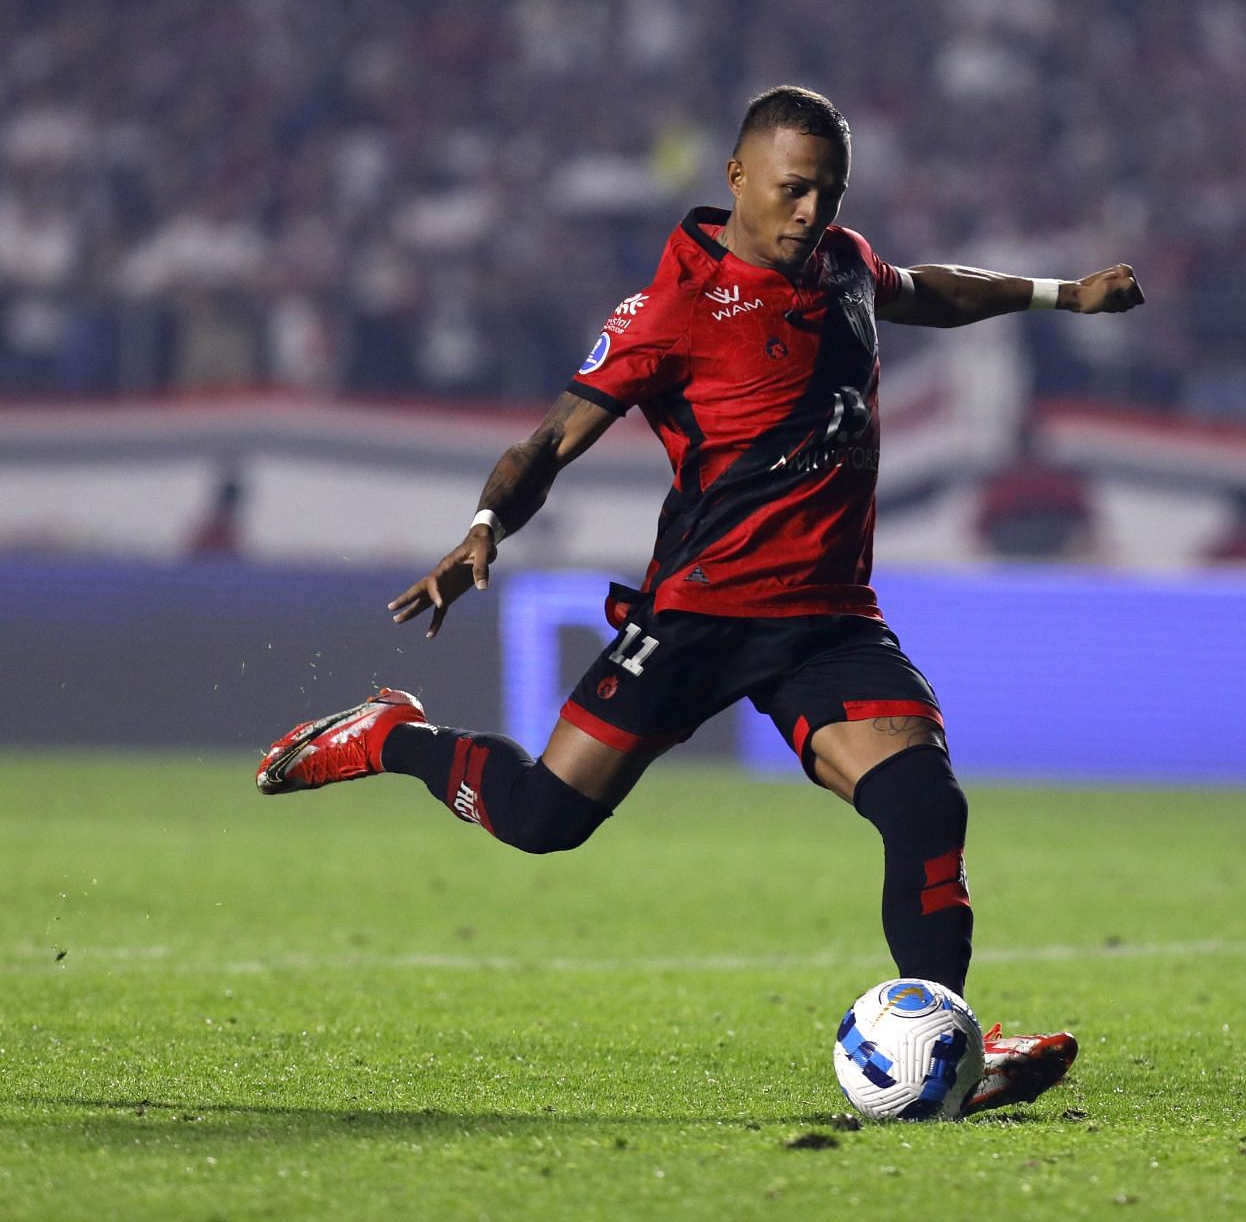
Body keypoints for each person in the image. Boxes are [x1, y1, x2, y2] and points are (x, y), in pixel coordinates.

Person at [254, 86, 1145, 1115]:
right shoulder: (669, 310)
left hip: (828, 616)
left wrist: (1059, 295)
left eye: (829, 191)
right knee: (545, 819)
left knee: (925, 802)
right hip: (699, 615)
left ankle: (947, 1042)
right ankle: (390, 735)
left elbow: (924, 289)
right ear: (737, 180)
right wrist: (486, 530)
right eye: (793, 190)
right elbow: (549, 442)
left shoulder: (844, 263)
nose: (811, 211)